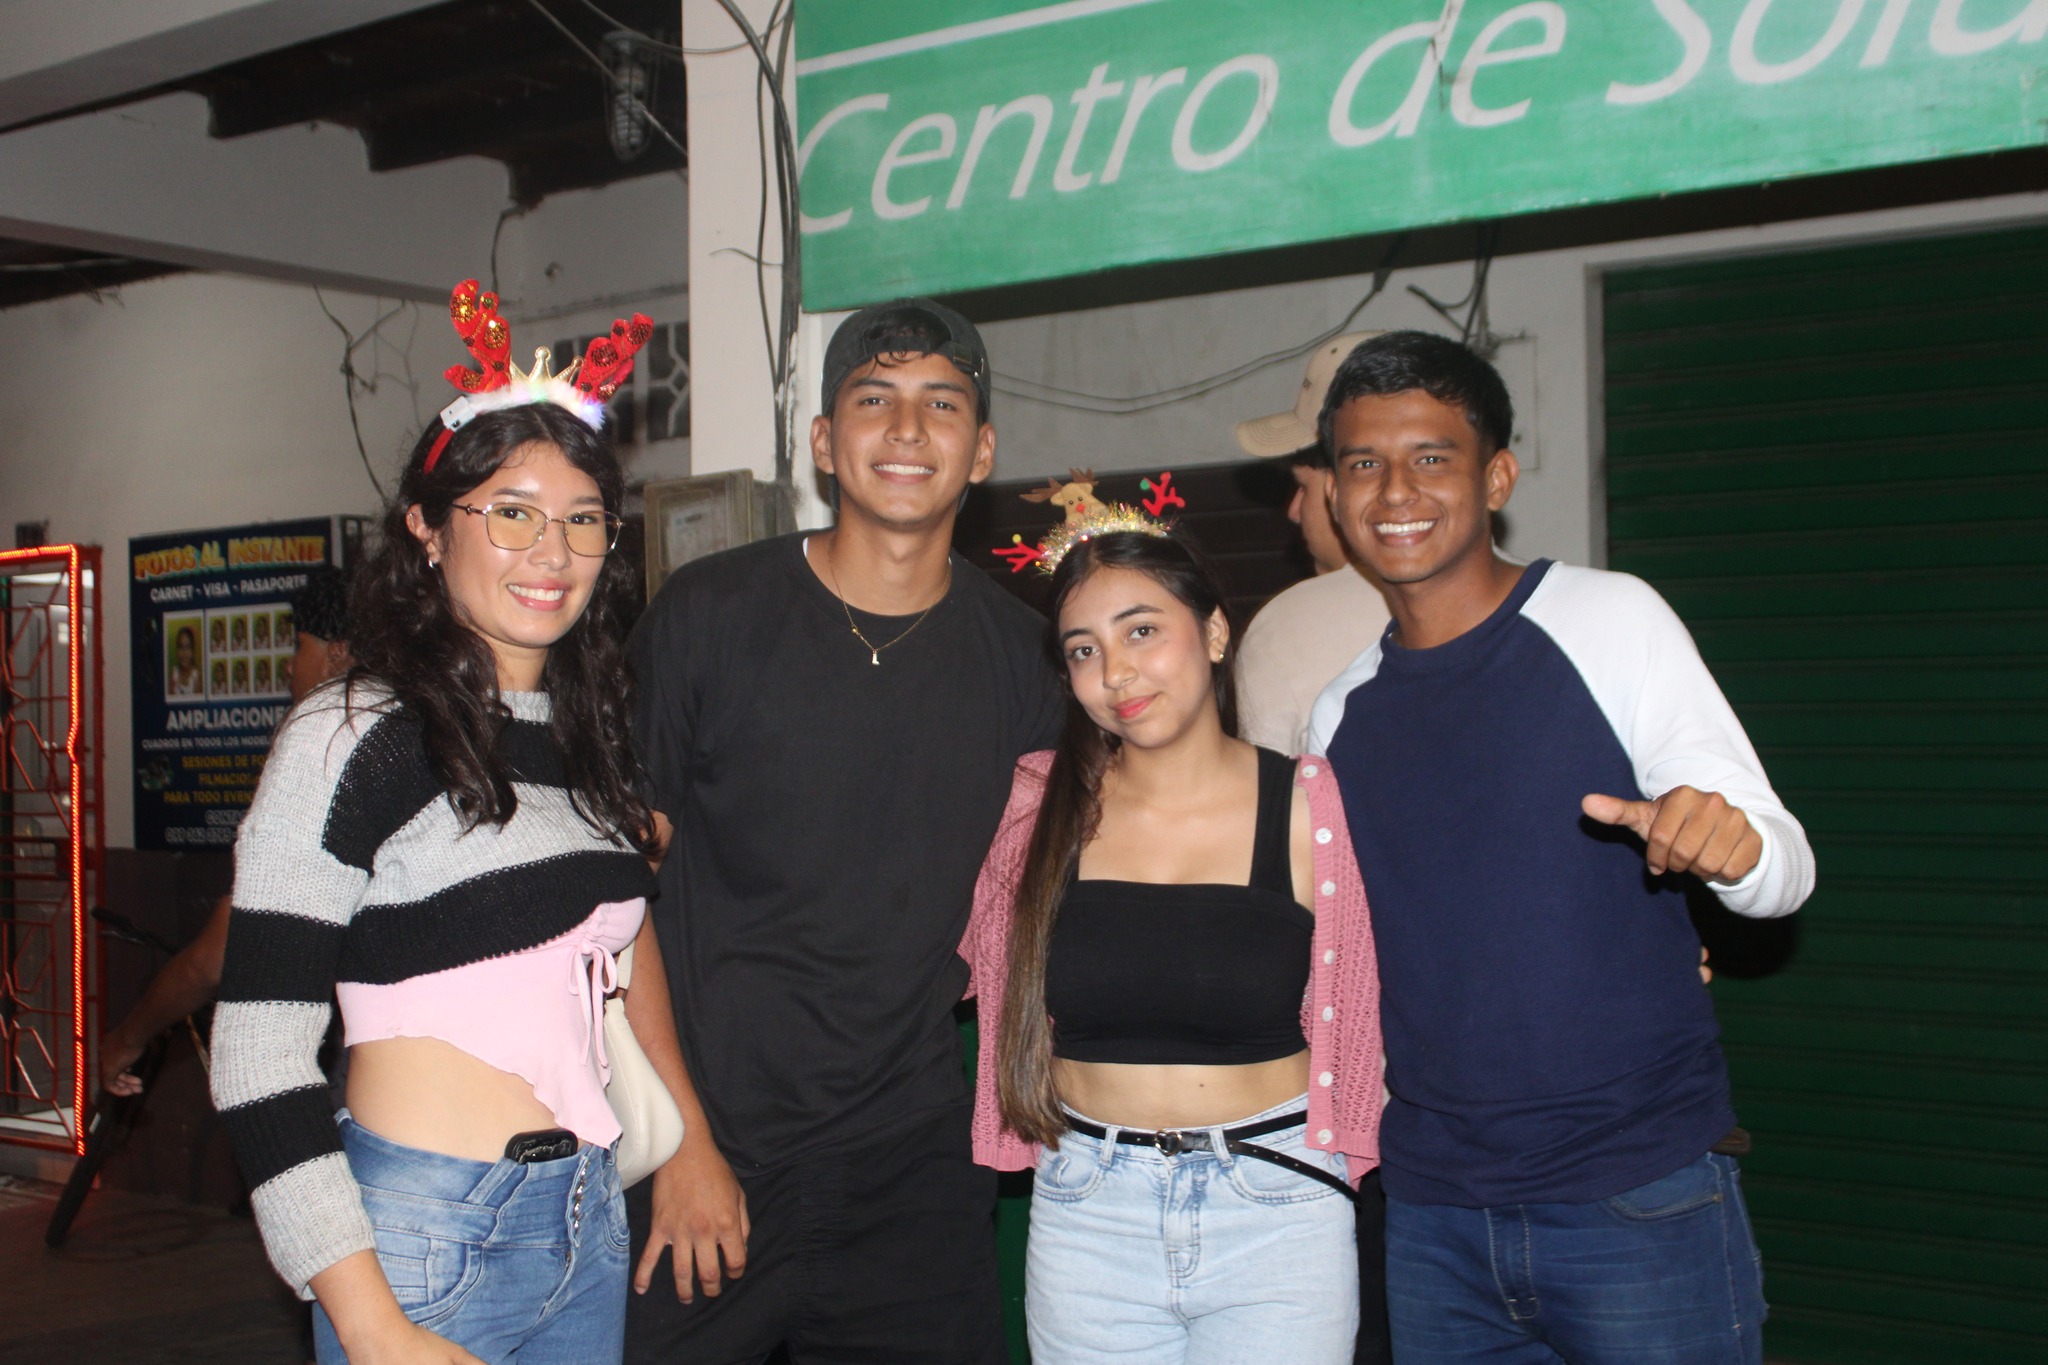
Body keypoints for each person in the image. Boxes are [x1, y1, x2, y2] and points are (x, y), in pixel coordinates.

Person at [1306, 331, 1815, 1364]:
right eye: (1363, 462)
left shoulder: (1609, 618)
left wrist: (1734, 850)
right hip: (1434, 1215)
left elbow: (1783, 868)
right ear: (1333, 493)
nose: (1395, 490)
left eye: (1431, 456)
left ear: (1496, 477)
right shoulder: (1337, 714)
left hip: (1635, 1193)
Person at [622, 299, 1062, 1364]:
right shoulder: (707, 614)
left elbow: (1052, 894)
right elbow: (614, 895)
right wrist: (678, 1140)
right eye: (874, 400)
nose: (906, 430)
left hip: (912, 1172)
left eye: (941, 404)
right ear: (824, 441)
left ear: (982, 450)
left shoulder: (1028, 659)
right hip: (709, 1153)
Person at [211, 374, 660, 1364]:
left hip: (587, 1217)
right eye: (513, 513)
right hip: (426, 1236)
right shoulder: (353, 734)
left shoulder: (587, 734)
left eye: (583, 519)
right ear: (425, 527)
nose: (553, 552)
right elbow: (257, 1052)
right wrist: (369, 1323)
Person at [960, 524, 1383, 1363]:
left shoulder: (1312, 804)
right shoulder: (1038, 809)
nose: (1116, 672)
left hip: (1276, 1208)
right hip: (1087, 1211)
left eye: (1142, 630)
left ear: (1215, 631)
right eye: (1084, 649)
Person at [103, 567, 358, 1097]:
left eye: (300, 645)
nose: (289, 665)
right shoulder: (412, 730)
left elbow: (218, 956)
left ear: (337, 653)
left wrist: (126, 1039)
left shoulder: (322, 748)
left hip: (355, 1072)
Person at [1232, 333, 1391, 755]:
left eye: (1303, 486)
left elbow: (1261, 789)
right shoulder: (1533, 596)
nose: (1294, 510)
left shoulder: (1288, 625)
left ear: (1346, 483)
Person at [169, 624, 205, 696]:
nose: (184, 653)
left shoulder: (196, 677)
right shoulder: (173, 674)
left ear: (193, 651)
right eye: (181, 647)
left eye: (188, 647)